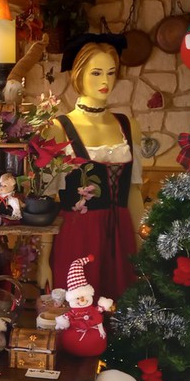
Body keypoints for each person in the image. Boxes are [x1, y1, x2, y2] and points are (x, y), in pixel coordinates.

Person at [48, 34, 144, 302]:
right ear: (78, 74)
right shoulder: (58, 128)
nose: (106, 81)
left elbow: (134, 191)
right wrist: (43, 260)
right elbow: (47, 198)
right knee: (80, 311)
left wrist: (143, 241)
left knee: (123, 309)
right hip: (77, 237)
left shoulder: (129, 126)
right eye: (97, 73)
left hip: (121, 236)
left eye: (111, 73)